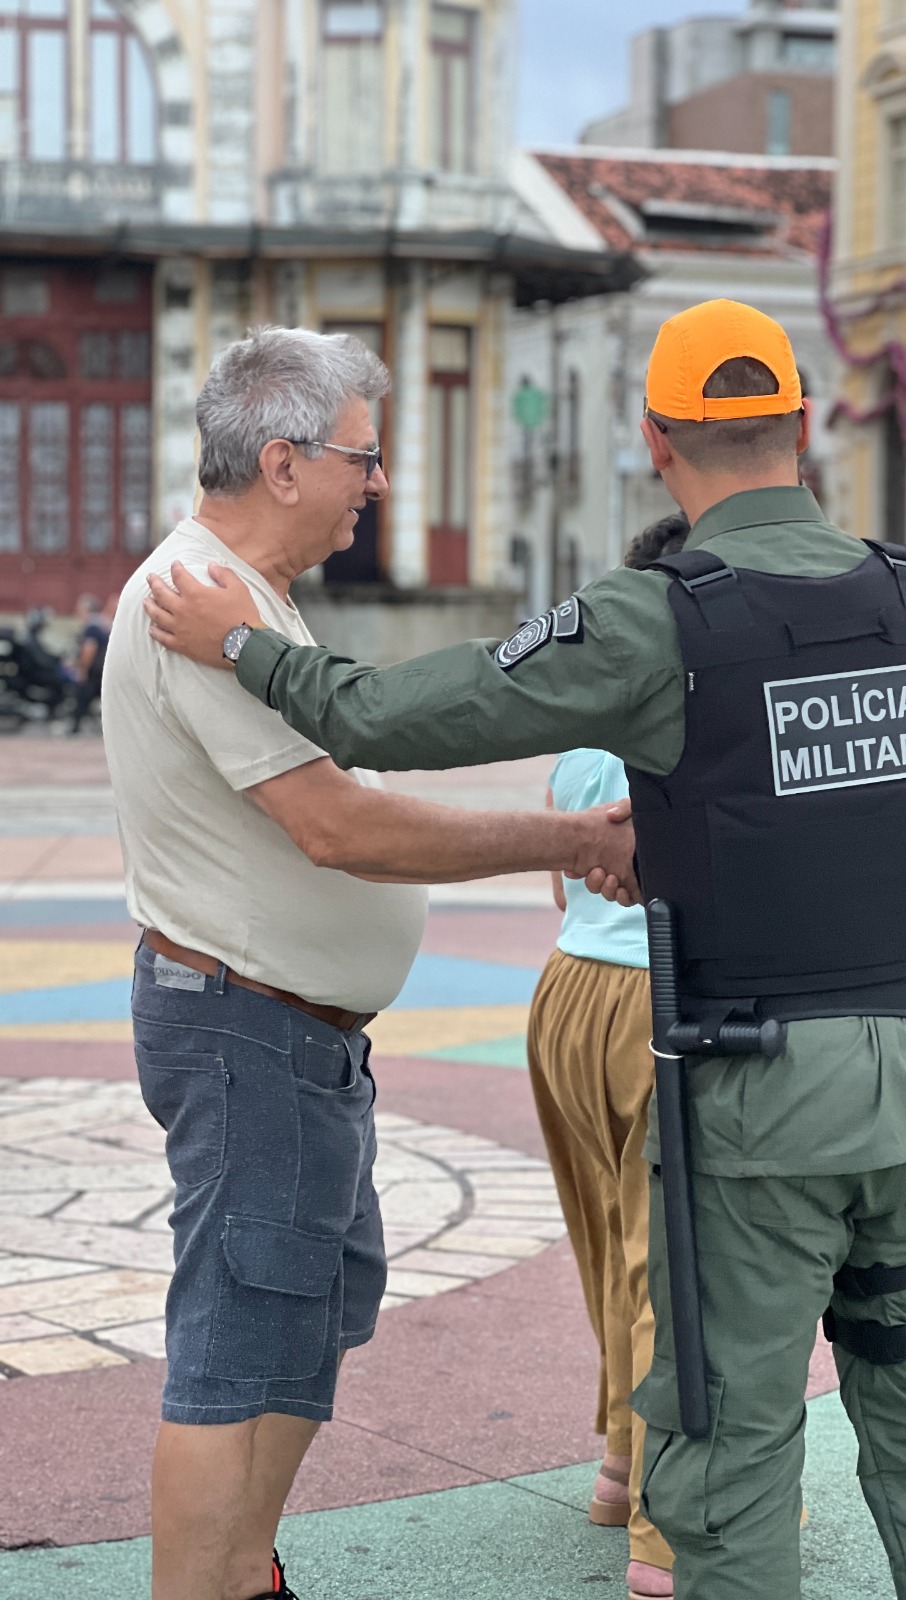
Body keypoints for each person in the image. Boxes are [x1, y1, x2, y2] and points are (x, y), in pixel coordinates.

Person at [144, 299, 906, 1600]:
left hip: (766, 1104)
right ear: (802, 432)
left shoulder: (658, 618)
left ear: (658, 442)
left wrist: (244, 646)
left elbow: (387, 714)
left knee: (728, 1460)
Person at [103, 325, 636, 1600]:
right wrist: (562, 836)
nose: (378, 483)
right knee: (239, 1336)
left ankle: (244, 1568)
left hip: (288, 1030)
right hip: (247, 1027)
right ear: (284, 463)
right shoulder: (198, 605)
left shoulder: (247, 605)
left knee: (304, 1309)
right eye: (364, 457)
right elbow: (339, 824)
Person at [529, 511, 688, 1600]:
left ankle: (615, 1461)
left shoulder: (587, 723)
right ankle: (663, 1529)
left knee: (606, 1241)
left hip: (564, 995)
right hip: (651, 997)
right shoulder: (694, 719)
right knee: (668, 1260)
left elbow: (561, 878)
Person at [64, 592, 111, 733]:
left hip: (94, 671)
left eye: (79, 608)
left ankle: (75, 728)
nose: (76, 611)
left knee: (82, 697)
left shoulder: (92, 626)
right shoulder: (101, 624)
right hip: (102, 670)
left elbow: (89, 650)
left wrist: (82, 670)